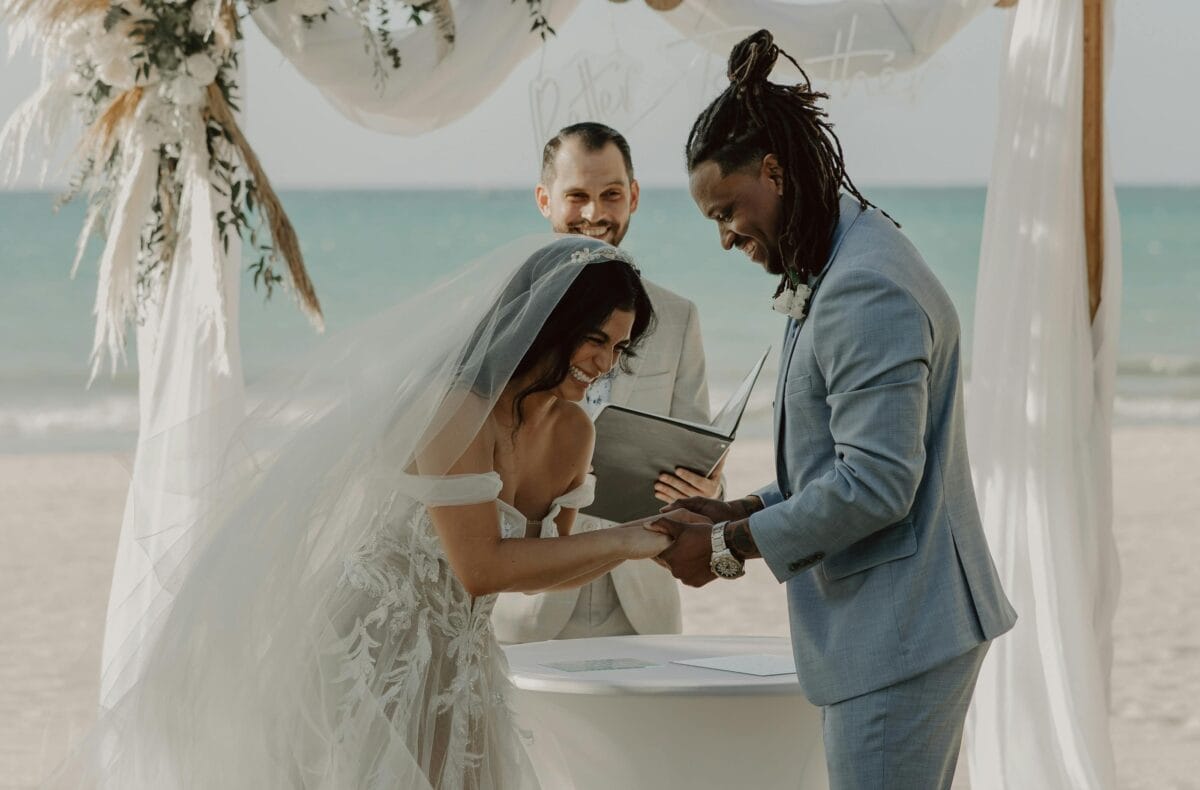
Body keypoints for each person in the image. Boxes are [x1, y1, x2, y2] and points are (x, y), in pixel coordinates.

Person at [54, 236, 678, 790]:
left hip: (463, 658)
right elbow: (481, 566)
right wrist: (625, 541)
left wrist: (646, 538)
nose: (603, 363)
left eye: (618, 348)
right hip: (369, 644)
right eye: (594, 338)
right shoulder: (457, 408)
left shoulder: (574, 434)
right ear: (549, 323)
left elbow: (547, 570)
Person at [653, 30, 1018, 789]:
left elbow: (879, 484)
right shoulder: (835, 255)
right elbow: (842, 461)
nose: (724, 237)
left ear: (775, 172)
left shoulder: (864, 285)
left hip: (901, 632)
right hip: (897, 626)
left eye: (728, 210)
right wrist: (741, 508)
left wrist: (730, 550)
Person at [492, 122, 719, 643]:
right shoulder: (507, 314)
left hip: (643, 607)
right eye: (577, 196)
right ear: (545, 199)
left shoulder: (679, 317)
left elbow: (700, 448)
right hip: (528, 607)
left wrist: (709, 490)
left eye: (611, 194)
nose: (595, 214)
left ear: (633, 197)